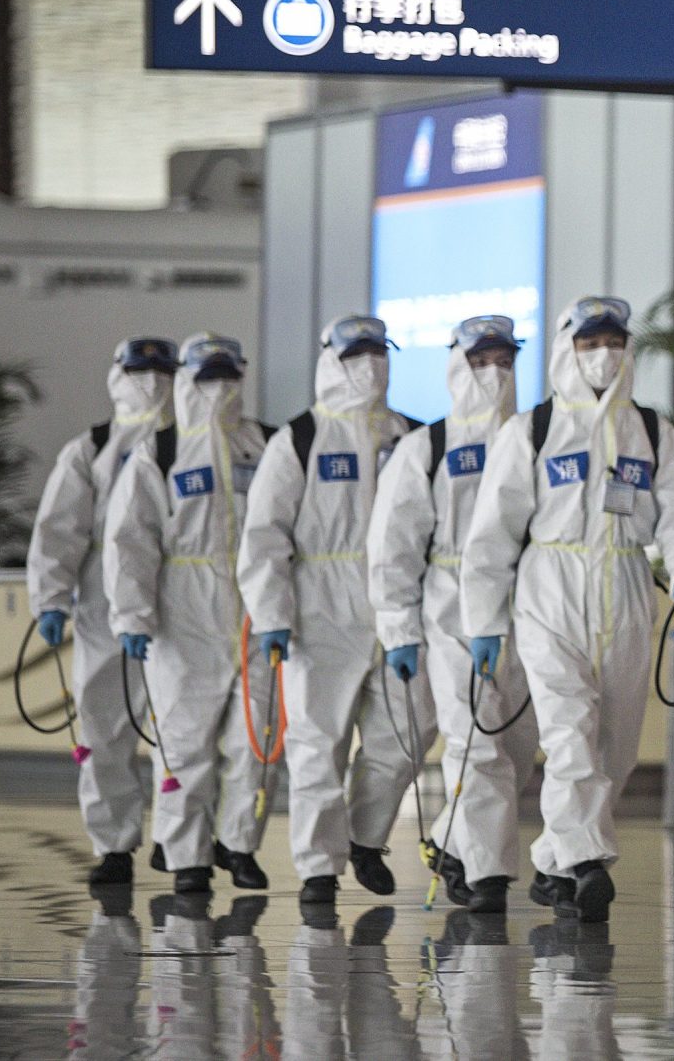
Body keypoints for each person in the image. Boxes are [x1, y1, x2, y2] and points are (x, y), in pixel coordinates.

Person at [460, 297, 674, 923]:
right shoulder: (530, 430)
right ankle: (589, 863)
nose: (604, 354)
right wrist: (484, 621)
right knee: (568, 731)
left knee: (614, 744)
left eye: (615, 341)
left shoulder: (650, 428)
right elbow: (492, 534)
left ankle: (555, 863)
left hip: (625, 584)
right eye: (590, 344)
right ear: (568, 349)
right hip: (549, 589)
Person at [238, 315, 424, 905]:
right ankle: (319, 867)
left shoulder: (414, 437)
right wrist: (271, 614)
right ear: (329, 359)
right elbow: (264, 534)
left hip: (399, 604)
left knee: (404, 736)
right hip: (321, 605)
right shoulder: (299, 439)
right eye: (356, 352)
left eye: (378, 349)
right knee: (318, 741)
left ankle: (366, 838)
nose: (369, 361)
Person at [367, 315, 539, 915]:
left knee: (517, 747)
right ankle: (489, 879)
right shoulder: (428, 448)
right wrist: (399, 630)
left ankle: (448, 841)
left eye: (504, 359)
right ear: (455, 364)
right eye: (480, 360)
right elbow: (393, 547)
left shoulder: (534, 436)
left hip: (527, 608)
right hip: (450, 612)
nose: (494, 371)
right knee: (475, 739)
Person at [102, 334, 278, 896]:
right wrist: (132, 616)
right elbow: (130, 540)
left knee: (257, 738)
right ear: (187, 381)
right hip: (184, 612)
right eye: (208, 376)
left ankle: (238, 842)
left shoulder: (265, 444)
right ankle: (186, 858)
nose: (219, 387)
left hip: (255, 606)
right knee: (184, 743)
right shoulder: (161, 452)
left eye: (229, 374)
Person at [27, 336, 177, 885]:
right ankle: (113, 846)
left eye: (162, 369)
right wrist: (51, 598)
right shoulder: (90, 450)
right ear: (119, 376)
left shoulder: (192, 445)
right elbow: (58, 530)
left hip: (180, 612)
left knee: (180, 728)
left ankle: (178, 837)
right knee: (103, 728)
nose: (153, 380)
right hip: (101, 612)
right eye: (142, 370)